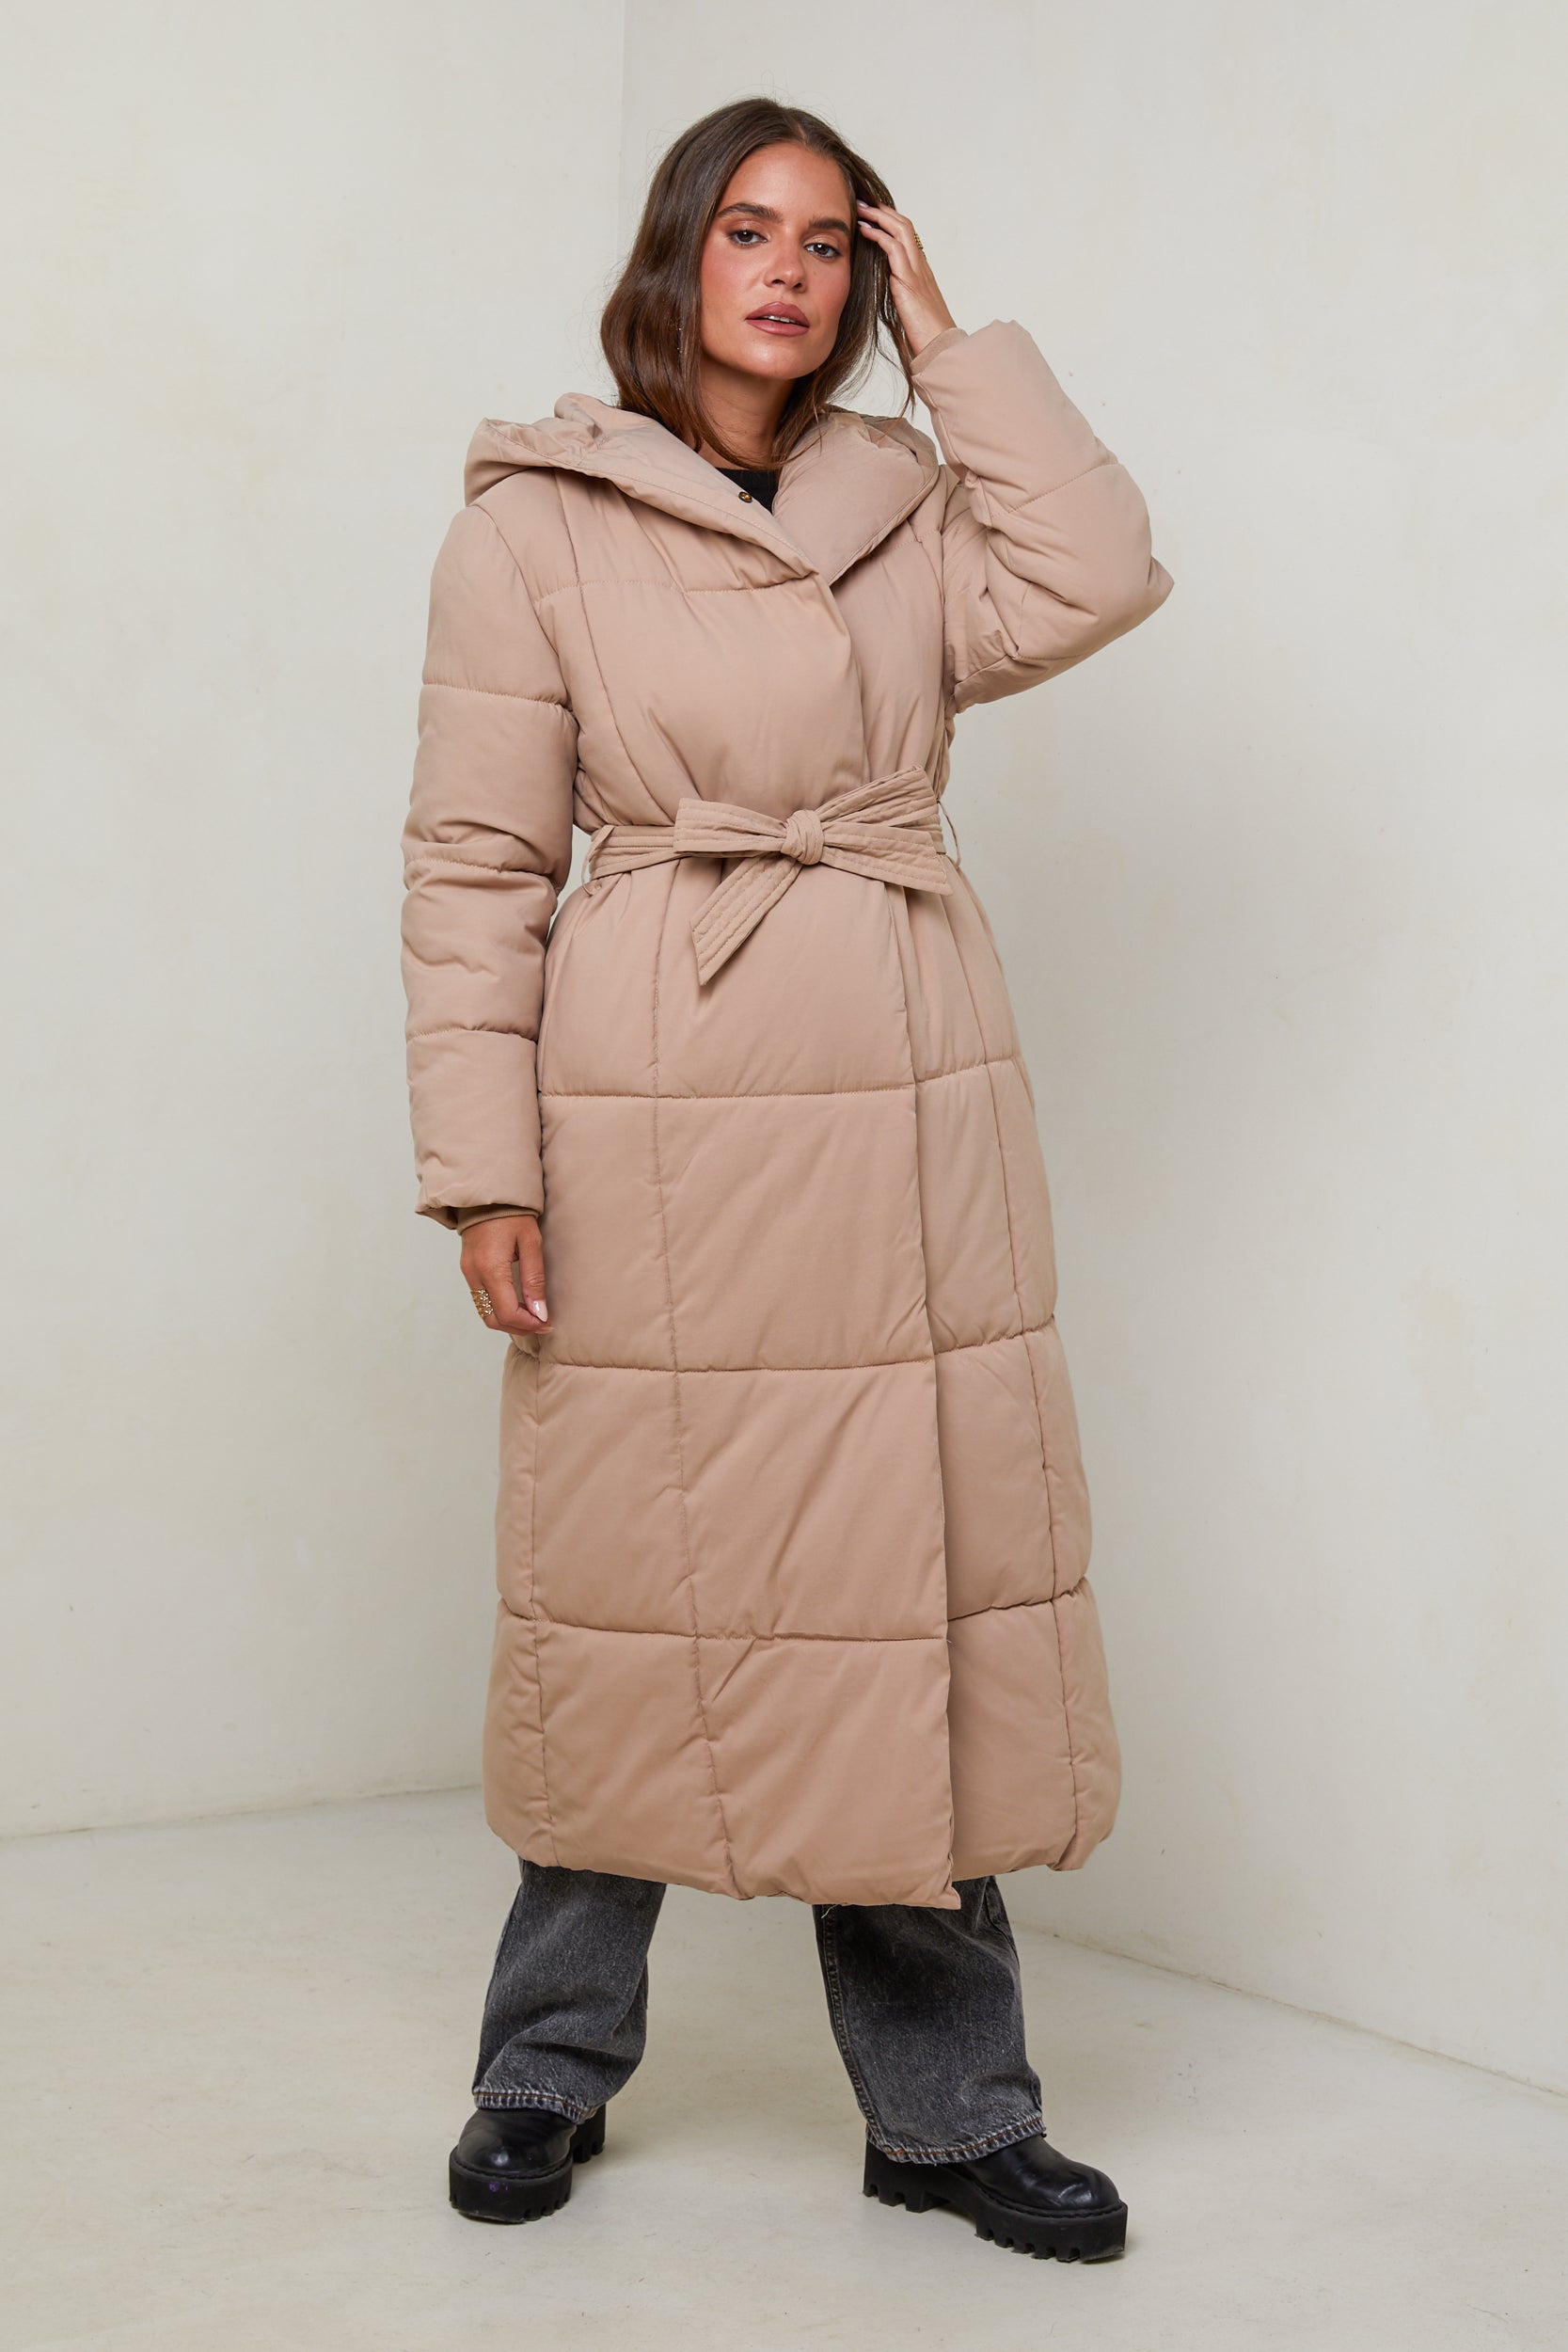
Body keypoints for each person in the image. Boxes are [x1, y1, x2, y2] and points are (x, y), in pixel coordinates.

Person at [400, 96, 1173, 2265]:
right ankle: (544, 2070)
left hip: (901, 1083)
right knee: (625, 1592)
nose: (791, 273)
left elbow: (1095, 573)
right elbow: (473, 861)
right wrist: (483, 1168)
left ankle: (950, 2115)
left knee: (892, 1588)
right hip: (652, 1091)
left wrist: (959, 341)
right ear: (680, 252)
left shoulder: (906, 499)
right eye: (752, 231)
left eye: (833, 244)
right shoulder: (535, 524)